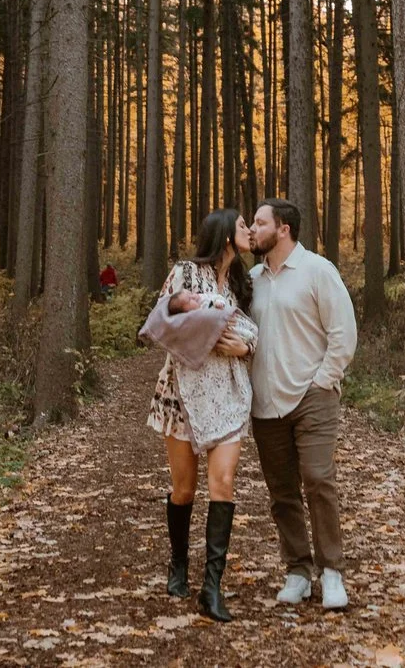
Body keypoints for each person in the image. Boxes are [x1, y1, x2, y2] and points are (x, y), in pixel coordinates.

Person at [141, 209, 256, 621]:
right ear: (226, 235)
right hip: (181, 396)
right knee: (184, 490)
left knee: (222, 483)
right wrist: (181, 304)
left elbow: (254, 332)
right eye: (243, 225)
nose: (249, 231)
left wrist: (245, 348)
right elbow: (161, 315)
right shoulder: (186, 272)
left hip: (228, 395)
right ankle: (177, 564)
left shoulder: (244, 283)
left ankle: (212, 587)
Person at [246, 197, 358, 611]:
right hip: (266, 403)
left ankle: (332, 572)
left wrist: (323, 381)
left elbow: (343, 331)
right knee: (282, 492)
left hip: (312, 397)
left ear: (283, 229)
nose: (252, 230)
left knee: (318, 479)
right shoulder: (253, 278)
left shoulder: (317, 270)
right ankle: (297, 571)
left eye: (259, 222)